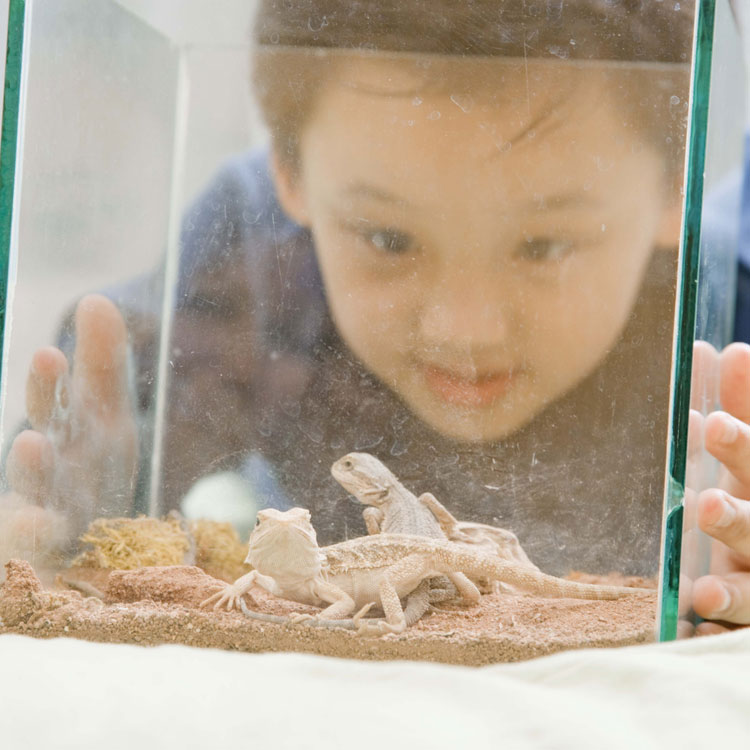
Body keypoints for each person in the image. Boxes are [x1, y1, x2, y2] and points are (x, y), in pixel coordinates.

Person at [3, 0, 748, 634]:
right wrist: (86, 489)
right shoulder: (252, 243)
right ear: (288, 176)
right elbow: (127, 386)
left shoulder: (726, 300)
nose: (465, 329)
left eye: (545, 242)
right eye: (389, 239)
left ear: (672, 191)